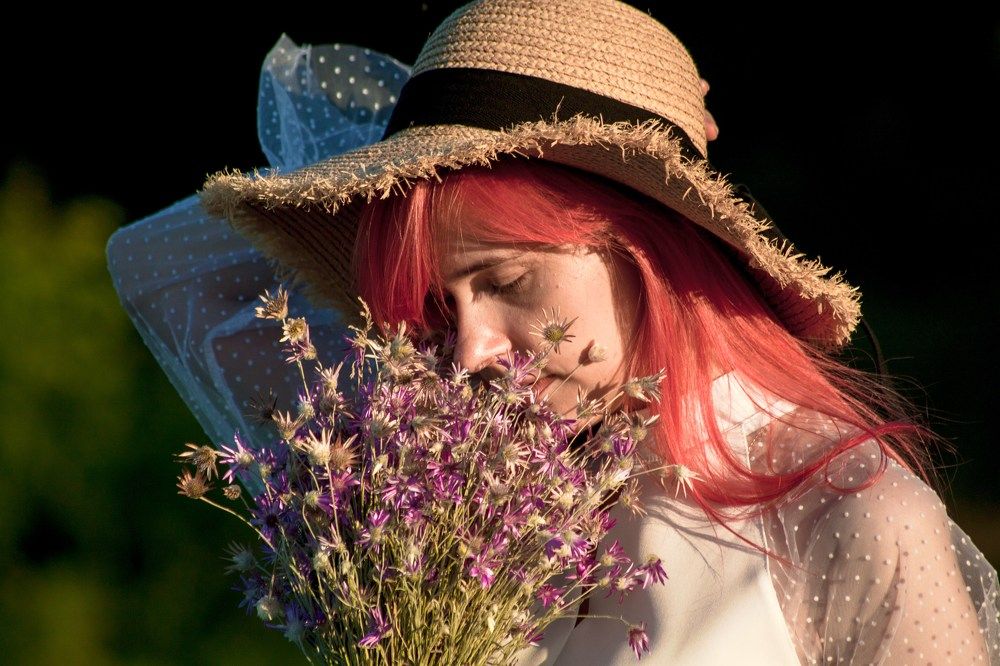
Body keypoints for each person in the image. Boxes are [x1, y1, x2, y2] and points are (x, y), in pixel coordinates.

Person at [107, 1, 1000, 663]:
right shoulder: (466, 514)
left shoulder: (846, 509)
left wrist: (637, 114)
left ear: (644, 245)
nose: (467, 354)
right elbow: (158, 269)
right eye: (436, 308)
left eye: (505, 281)